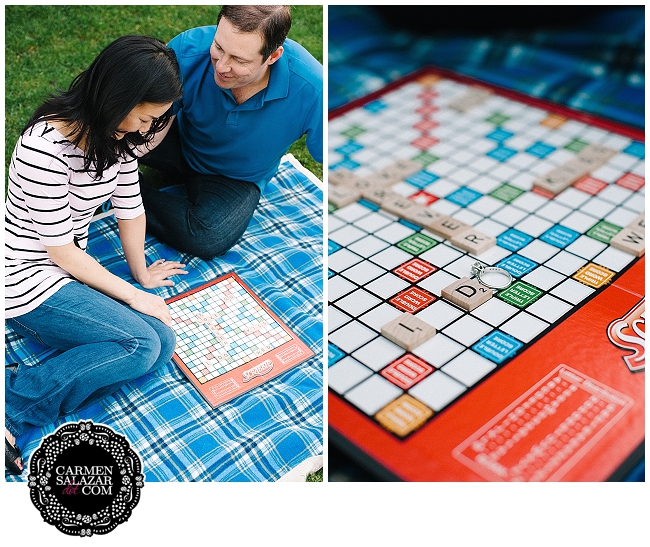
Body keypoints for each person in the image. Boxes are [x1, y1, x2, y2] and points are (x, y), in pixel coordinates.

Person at [4, 35, 187, 475]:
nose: (147, 131)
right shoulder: (43, 147)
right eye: (146, 117)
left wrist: (141, 273)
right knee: (140, 342)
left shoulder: (116, 137)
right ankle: (13, 409)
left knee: (161, 347)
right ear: (118, 98)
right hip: (25, 275)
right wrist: (132, 296)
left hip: (70, 272)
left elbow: (130, 208)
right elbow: (61, 252)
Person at [138, 5, 323, 259]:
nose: (222, 66)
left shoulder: (313, 90)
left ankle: (127, 192)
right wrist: (128, 152)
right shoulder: (187, 49)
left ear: (273, 56)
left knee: (207, 235)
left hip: (235, 178)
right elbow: (153, 119)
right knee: (118, 125)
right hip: (178, 139)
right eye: (219, 48)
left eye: (239, 60)